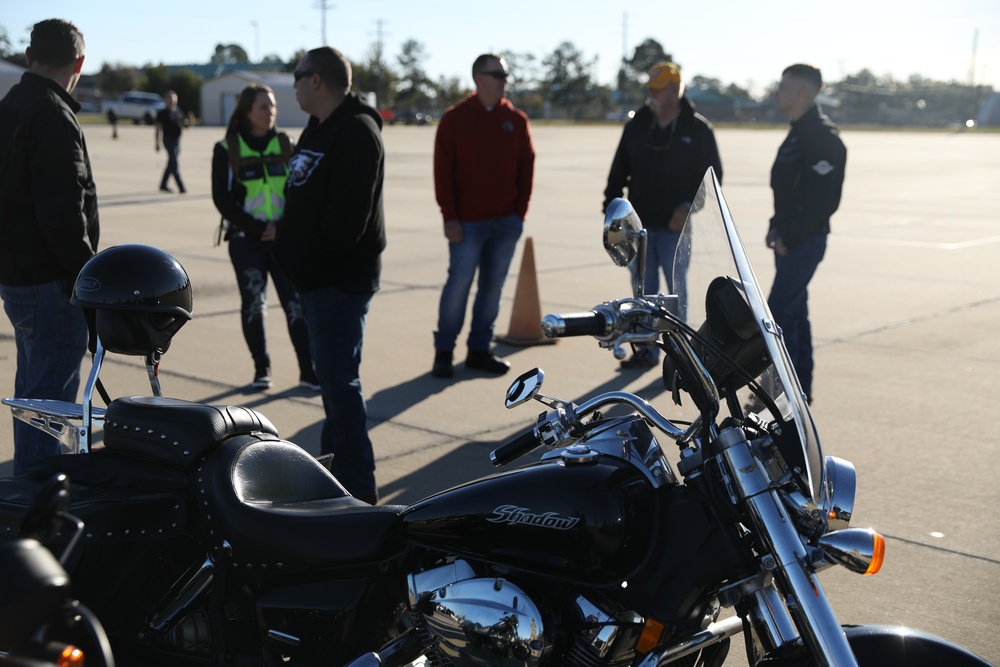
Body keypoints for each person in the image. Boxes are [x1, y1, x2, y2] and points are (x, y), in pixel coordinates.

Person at [272, 47, 385, 505]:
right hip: (317, 281)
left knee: (340, 383)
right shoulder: (320, 127)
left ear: (317, 80)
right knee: (334, 383)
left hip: (337, 283)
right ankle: (331, 477)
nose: (293, 84)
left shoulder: (357, 131)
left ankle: (358, 494)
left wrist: (305, 266)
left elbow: (346, 224)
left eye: (297, 76)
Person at [0, 18, 99, 476]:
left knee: (32, 400)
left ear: (28, 57)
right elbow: (63, 216)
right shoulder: (53, 116)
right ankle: (38, 515)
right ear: (79, 62)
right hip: (52, 285)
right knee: (50, 413)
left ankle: (27, 495)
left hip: (18, 279)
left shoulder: (11, 106)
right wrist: (91, 281)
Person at [603, 61, 722, 370]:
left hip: (675, 229)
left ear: (675, 90)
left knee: (675, 292)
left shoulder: (697, 130)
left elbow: (711, 177)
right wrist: (611, 210)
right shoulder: (638, 125)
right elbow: (618, 171)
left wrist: (688, 206)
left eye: (658, 90)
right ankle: (645, 350)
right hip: (637, 228)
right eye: (650, 90)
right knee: (641, 292)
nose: (652, 95)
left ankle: (682, 354)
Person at [431, 53, 535, 378]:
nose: (504, 80)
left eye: (505, 74)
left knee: (493, 287)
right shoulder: (455, 118)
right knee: (459, 284)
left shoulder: (516, 120)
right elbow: (442, 171)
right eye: (497, 74)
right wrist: (450, 216)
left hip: (506, 223)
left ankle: (479, 349)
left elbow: (527, 168)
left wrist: (519, 215)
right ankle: (444, 351)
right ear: (478, 78)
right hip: (467, 223)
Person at [211, 83, 318, 392]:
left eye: (272, 106)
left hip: (284, 239)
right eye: (263, 107)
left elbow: (301, 192)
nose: (270, 112)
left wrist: (282, 227)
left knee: (295, 305)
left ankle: (308, 370)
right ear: (246, 111)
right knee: (254, 305)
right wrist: (260, 228)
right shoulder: (226, 149)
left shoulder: (288, 145)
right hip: (247, 241)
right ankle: (262, 368)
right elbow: (223, 199)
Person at [765, 64, 846, 403]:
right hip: (788, 241)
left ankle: (784, 394)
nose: (777, 92)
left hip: (804, 242)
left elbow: (823, 200)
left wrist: (790, 236)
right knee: (794, 314)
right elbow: (789, 190)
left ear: (800, 91)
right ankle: (798, 393)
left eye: (783, 86)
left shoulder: (821, 137)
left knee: (777, 315)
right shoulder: (798, 132)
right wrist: (775, 224)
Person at [155, 90, 193, 193]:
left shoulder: (178, 112)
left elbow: (185, 126)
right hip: (168, 140)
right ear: (165, 100)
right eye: (169, 99)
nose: (171, 101)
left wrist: (190, 120)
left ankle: (163, 184)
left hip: (177, 141)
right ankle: (181, 187)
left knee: (171, 163)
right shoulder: (162, 113)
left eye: (173, 99)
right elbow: (158, 129)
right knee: (174, 163)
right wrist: (157, 143)